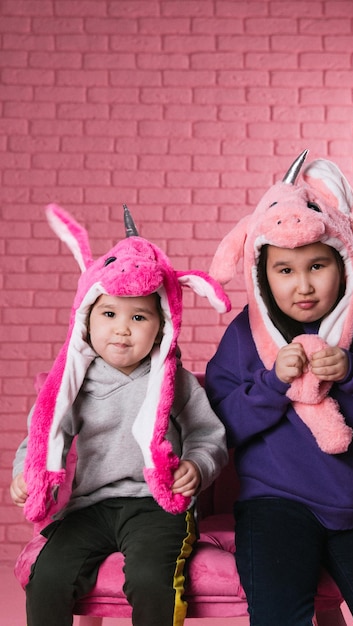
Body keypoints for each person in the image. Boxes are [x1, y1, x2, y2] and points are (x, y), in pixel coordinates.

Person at [205, 150, 353, 626]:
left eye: (317, 266)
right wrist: (273, 382)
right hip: (275, 505)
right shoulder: (245, 336)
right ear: (262, 274)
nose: (303, 285)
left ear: (344, 262)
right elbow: (217, 427)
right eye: (285, 270)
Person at [10, 204, 229, 626]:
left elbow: (208, 435)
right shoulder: (73, 384)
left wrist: (197, 466)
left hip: (154, 506)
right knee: (49, 577)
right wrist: (27, 474)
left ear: (162, 325)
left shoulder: (174, 382)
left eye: (139, 317)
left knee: (151, 579)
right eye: (109, 314)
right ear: (87, 321)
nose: (122, 329)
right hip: (89, 506)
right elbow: (39, 438)